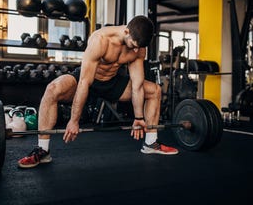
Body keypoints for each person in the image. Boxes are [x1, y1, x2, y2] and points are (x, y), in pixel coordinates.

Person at [18, 15, 178, 169]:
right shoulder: (100, 40)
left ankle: (151, 142)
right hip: (87, 79)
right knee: (53, 89)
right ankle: (43, 150)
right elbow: (84, 82)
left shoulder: (138, 49)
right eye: (133, 44)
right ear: (127, 32)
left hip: (111, 82)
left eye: (139, 47)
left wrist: (138, 118)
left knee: (154, 90)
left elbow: (137, 85)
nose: (136, 50)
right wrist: (74, 120)